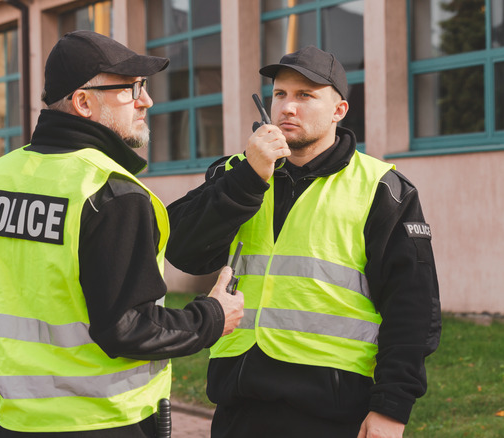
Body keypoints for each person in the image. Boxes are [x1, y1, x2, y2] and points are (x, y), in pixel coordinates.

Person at [0, 30, 244, 438]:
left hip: (15, 421)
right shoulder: (110, 192)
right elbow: (127, 327)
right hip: (105, 421)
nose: (146, 101)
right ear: (83, 103)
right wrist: (212, 317)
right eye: (132, 89)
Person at [165, 46, 441, 438]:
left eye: (305, 95)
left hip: (333, 410)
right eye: (280, 94)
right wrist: (249, 177)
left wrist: (392, 409)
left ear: (338, 111)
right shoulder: (235, 173)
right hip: (240, 405)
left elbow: (412, 310)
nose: (287, 108)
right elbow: (183, 252)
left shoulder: (382, 188)